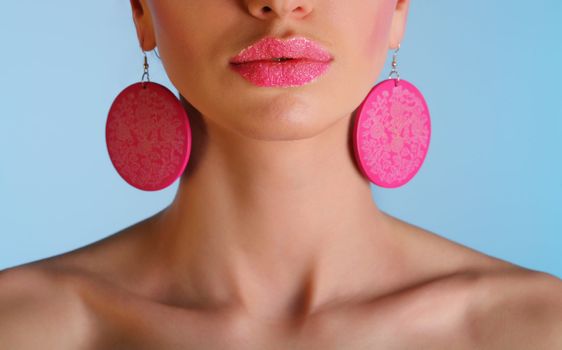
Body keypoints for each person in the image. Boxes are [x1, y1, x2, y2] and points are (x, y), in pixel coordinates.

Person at [1, 0, 561, 348]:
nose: (278, 3)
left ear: (398, 8)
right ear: (141, 9)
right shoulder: (18, 328)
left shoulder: (540, 331)